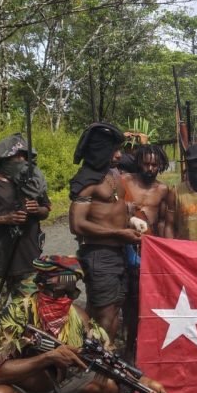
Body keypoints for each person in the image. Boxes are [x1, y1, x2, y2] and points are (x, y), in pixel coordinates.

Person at [0, 255, 167, 393]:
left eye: (72, 292)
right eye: (60, 293)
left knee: (107, 386)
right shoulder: (18, 313)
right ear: (41, 286)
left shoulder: (78, 316)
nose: (67, 299)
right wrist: (48, 357)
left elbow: (108, 354)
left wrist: (142, 381)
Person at [69, 123, 142, 343]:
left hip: (119, 252)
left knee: (116, 306)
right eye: (114, 150)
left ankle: (104, 359)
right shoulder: (86, 181)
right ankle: (100, 369)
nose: (119, 155)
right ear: (101, 151)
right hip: (99, 254)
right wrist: (120, 234)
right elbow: (78, 225)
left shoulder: (113, 174)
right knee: (104, 313)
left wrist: (131, 221)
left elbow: (115, 209)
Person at [0, 133, 51, 335]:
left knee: (28, 305)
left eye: (26, 157)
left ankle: (25, 342)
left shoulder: (34, 183)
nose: (23, 161)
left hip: (28, 257)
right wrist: (5, 219)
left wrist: (37, 209)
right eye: (18, 156)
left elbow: (46, 210)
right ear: (6, 160)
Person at [121, 144, 169, 360]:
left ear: (160, 166)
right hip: (123, 244)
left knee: (145, 298)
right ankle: (127, 345)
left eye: (154, 165)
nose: (150, 168)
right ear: (139, 162)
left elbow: (165, 222)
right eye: (146, 163)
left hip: (149, 250)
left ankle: (143, 343)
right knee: (125, 298)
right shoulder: (124, 182)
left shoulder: (163, 190)